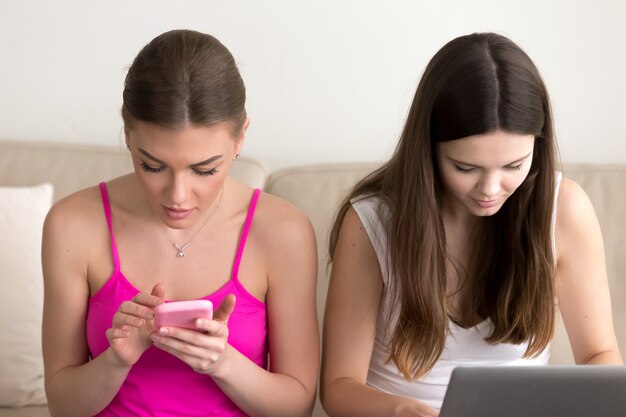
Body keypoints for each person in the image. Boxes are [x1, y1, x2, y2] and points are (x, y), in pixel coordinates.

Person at [320, 32, 623, 417]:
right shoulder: (371, 222)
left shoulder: (564, 209)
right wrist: (402, 411)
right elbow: (338, 388)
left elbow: (600, 354)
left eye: (514, 165)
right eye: (466, 168)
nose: (491, 189)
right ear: (429, 148)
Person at [42, 29, 319, 417]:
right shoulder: (73, 225)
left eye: (204, 170)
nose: (177, 196)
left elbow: (297, 407)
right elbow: (62, 407)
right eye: (152, 166)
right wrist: (116, 360)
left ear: (241, 139)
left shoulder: (283, 232)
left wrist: (223, 363)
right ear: (127, 134)